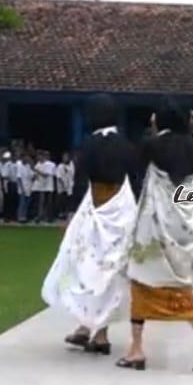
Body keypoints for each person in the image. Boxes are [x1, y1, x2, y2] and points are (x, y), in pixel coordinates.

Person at [120, 99, 193, 373]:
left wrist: (154, 131)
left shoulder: (152, 145)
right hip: (185, 227)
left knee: (141, 281)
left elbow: (132, 163)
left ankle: (137, 348)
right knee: (181, 286)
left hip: (155, 227)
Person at [42, 93, 139, 356]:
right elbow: (137, 180)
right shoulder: (126, 144)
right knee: (110, 272)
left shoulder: (89, 145)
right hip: (121, 210)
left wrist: (72, 213)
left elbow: (80, 180)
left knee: (85, 268)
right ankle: (96, 331)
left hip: (95, 207)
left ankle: (91, 328)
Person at [32, 151, 56, 222]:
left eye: (40, 156)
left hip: (48, 186)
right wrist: (34, 175)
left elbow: (46, 175)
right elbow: (35, 176)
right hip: (40, 187)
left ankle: (49, 217)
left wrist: (37, 171)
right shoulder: (37, 164)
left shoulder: (50, 164)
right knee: (40, 203)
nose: (38, 157)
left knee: (49, 203)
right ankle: (39, 216)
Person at [55, 152, 75, 219]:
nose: (65, 158)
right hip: (62, 187)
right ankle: (61, 213)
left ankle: (67, 213)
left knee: (68, 201)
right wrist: (63, 184)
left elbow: (72, 174)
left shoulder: (71, 165)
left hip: (69, 187)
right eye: (64, 157)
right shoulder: (60, 166)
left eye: (66, 157)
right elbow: (58, 176)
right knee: (62, 201)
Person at [0, 152, 18, 221]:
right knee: (8, 200)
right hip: (9, 183)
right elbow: (4, 175)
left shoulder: (18, 164)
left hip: (16, 183)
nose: (15, 158)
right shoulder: (8, 164)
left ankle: (13, 216)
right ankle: (7, 216)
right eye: (14, 157)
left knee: (15, 200)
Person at [17, 153, 34, 223]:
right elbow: (19, 178)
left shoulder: (28, 166)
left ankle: (25, 216)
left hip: (29, 187)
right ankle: (20, 216)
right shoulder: (20, 166)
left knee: (27, 203)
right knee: (22, 203)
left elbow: (32, 176)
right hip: (22, 187)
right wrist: (22, 188)